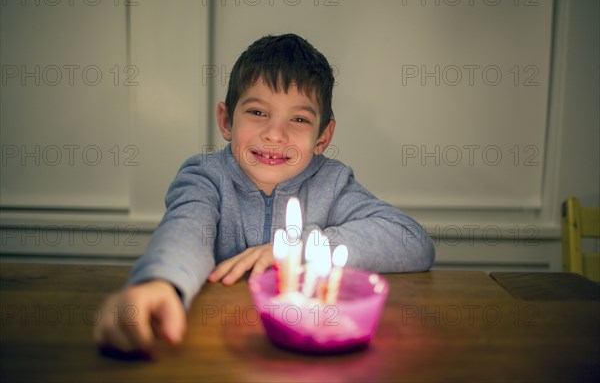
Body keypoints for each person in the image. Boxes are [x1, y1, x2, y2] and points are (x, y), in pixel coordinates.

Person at [94, 33, 435, 355]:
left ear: (322, 137)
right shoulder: (205, 177)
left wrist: (296, 250)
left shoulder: (332, 183)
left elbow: (411, 240)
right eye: (257, 112)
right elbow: (184, 233)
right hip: (215, 340)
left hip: (308, 339)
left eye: (299, 119)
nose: (275, 134)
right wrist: (161, 283)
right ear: (226, 120)